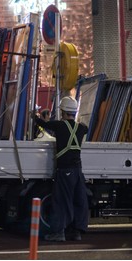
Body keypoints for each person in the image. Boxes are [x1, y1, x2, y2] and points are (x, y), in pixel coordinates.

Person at [33, 96, 89, 242]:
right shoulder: (82, 128)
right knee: (79, 200)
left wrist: (34, 116)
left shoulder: (59, 125)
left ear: (63, 112)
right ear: (75, 112)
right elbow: (86, 128)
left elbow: (42, 124)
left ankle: (58, 232)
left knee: (62, 200)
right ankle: (76, 232)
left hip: (65, 170)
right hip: (78, 171)